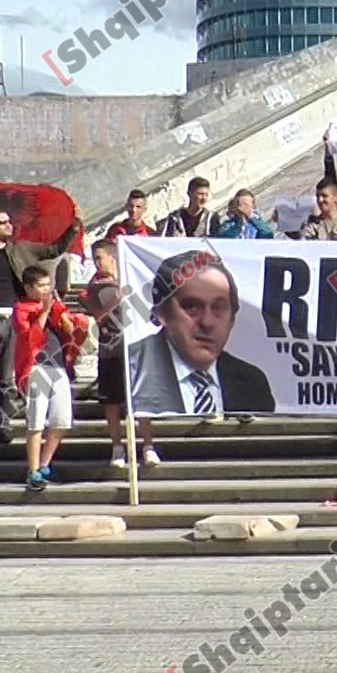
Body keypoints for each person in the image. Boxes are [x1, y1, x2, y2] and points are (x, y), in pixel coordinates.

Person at [0, 210, 83, 445]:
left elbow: (54, 250)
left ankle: (3, 423)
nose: (9, 225)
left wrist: (73, 230)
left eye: (10, 221)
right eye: (2, 223)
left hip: (13, 321)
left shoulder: (22, 249)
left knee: (7, 379)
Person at [127, 251, 275, 415]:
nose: (207, 322)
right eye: (191, 307)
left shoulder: (252, 383)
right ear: (162, 313)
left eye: (218, 308)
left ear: (232, 320)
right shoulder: (129, 371)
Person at [81, 239, 157, 468]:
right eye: (94, 259)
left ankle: (148, 445)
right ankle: (117, 447)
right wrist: (117, 299)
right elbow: (99, 317)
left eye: (100, 258)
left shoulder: (132, 279)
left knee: (139, 398)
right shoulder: (92, 290)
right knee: (112, 402)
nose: (96, 263)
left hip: (135, 347)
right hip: (110, 350)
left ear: (113, 258)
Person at [13, 265, 87, 490]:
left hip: (58, 366)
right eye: (41, 286)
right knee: (36, 420)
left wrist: (66, 319)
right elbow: (29, 335)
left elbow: (71, 330)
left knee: (62, 419)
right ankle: (33, 469)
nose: (46, 290)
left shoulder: (55, 306)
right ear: (29, 288)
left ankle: (45, 463)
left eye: (48, 285)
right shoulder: (21, 308)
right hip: (35, 366)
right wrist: (44, 312)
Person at [159, 177, 224, 237]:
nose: (204, 198)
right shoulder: (174, 218)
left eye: (206, 195)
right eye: (200, 194)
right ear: (189, 193)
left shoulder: (211, 217)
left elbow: (215, 240)